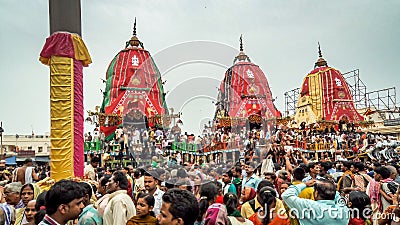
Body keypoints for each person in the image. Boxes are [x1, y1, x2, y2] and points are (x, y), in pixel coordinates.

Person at [282, 179, 349, 225]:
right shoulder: (344, 210)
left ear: (316, 193)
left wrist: (305, 184)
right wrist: (330, 186)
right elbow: (338, 196)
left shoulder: (309, 206)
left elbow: (286, 195)